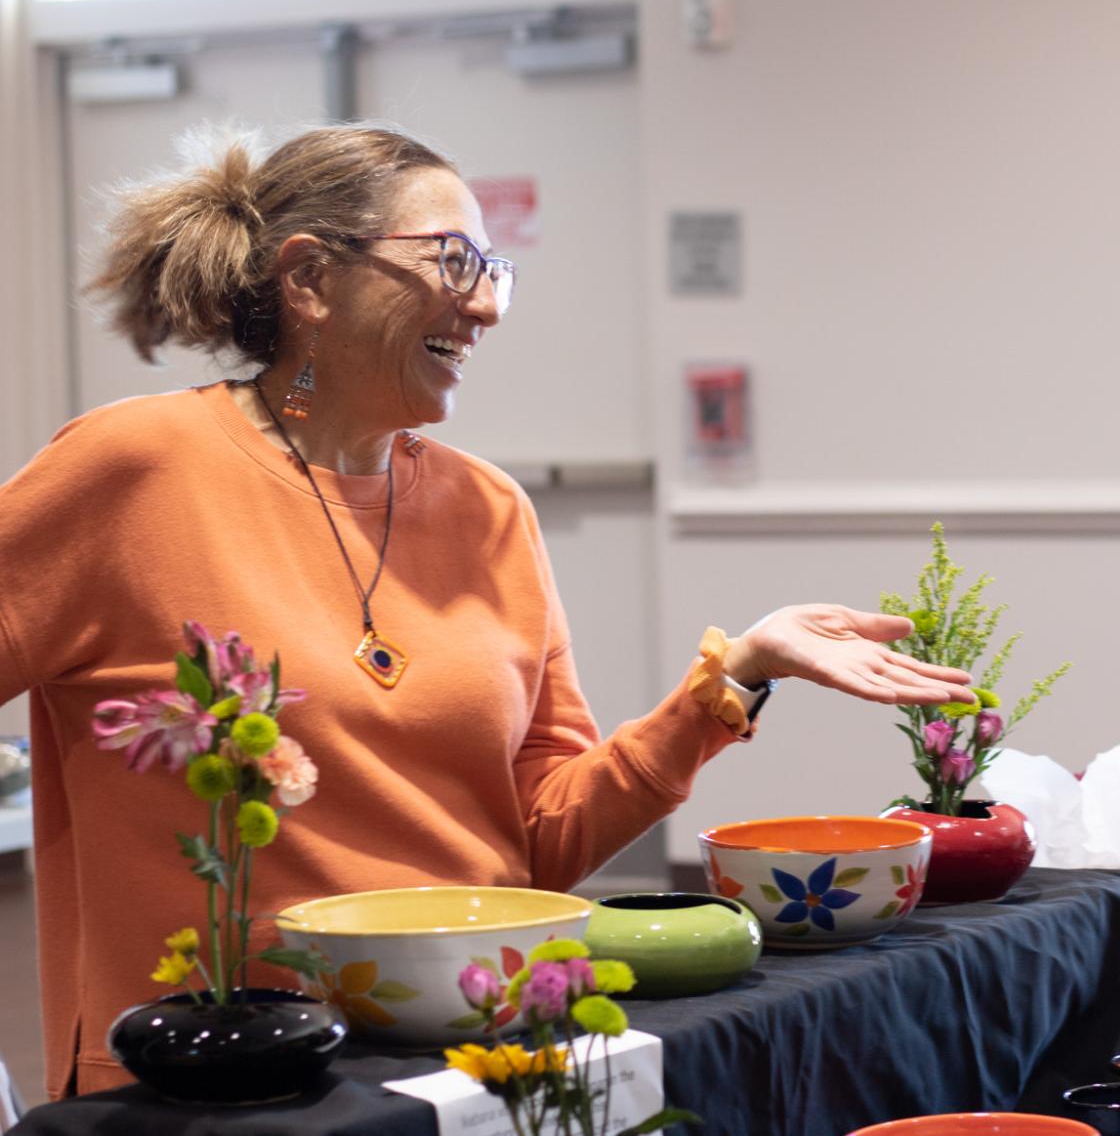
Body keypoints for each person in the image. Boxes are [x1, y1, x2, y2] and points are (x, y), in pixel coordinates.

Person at [0, 125, 976, 1097]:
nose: (484, 307)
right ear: (308, 280)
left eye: (493, 270)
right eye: (451, 263)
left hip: (471, 1069)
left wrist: (734, 679)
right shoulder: (130, 471)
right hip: (221, 1090)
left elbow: (541, 842)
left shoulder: (490, 511)